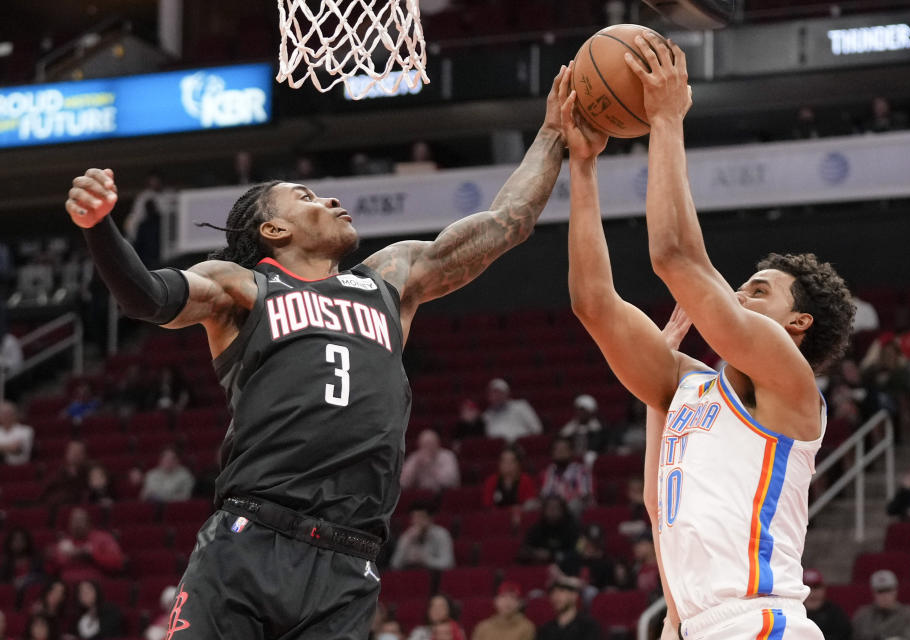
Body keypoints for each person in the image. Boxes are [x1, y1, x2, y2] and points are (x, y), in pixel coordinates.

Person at [65, 62, 566, 639]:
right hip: (248, 546)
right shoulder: (242, 288)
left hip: (347, 563)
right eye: (305, 197)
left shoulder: (389, 279)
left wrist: (552, 134)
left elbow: (507, 223)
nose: (328, 200)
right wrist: (100, 226)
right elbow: (148, 297)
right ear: (274, 232)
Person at [566, 35, 856, 640]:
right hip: (691, 627)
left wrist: (666, 118)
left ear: (798, 323)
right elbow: (593, 304)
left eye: (759, 290)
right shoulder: (684, 386)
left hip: (759, 621)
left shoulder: (788, 379)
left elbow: (675, 255)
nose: (739, 295)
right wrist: (585, 168)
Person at [48, 508, 125, 583]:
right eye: (73, 521)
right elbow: (51, 570)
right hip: (67, 586)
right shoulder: (63, 542)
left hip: (94, 586)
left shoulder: (103, 538)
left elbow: (117, 563)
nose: (77, 525)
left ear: (89, 523)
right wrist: (51, 557)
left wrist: (91, 554)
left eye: (80, 521)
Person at [850, 570, 910, 640]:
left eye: (888, 590)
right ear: (873, 593)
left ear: (895, 591)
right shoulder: (862, 615)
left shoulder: (906, 614)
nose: (884, 595)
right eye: (880, 591)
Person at [389, 503, 454, 571]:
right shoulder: (407, 535)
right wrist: (407, 542)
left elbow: (448, 563)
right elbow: (394, 564)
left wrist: (425, 559)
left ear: (430, 519)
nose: (417, 521)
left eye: (421, 517)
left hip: (435, 575)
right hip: (411, 574)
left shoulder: (441, 534)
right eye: (414, 518)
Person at [517, 496, 580, 565]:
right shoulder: (537, 529)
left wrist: (552, 555)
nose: (552, 511)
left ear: (563, 511)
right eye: (549, 508)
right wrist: (534, 553)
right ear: (544, 510)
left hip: (566, 568)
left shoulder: (572, 528)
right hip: (540, 568)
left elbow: (580, 552)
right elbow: (523, 551)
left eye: (556, 508)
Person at [536, 575, 601, 640]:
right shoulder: (546, 630)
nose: (555, 596)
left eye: (561, 591)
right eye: (552, 592)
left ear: (574, 595)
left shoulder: (588, 627)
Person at [539, 437, 592, 515]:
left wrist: (562, 502)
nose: (560, 452)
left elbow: (584, 495)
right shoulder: (550, 471)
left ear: (571, 452)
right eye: (557, 449)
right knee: (531, 505)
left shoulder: (581, 470)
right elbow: (545, 494)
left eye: (564, 449)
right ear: (552, 453)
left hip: (573, 506)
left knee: (574, 504)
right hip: (553, 507)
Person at [471, 581, 536, 640]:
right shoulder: (483, 627)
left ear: (519, 603)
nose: (508, 601)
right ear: (496, 601)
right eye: (503, 596)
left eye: (512, 597)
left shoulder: (527, 627)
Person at [482, 445, 538, 510]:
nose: (507, 465)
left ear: (518, 464)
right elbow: (487, 506)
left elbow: (530, 506)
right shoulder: (491, 481)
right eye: (504, 461)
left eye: (511, 461)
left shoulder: (526, 480)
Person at [802, 569, 851, 640]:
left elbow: (844, 634)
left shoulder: (835, 613)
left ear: (823, 588)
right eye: (807, 587)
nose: (812, 592)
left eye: (816, 587)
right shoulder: (792, 612)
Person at [557, 394, 606, 462]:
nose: (580, 413)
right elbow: (561, 438)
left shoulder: (599, 428)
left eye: (583, 410)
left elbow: (599, 446)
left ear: (590, 412)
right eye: (578, 410)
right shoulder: (570, 426)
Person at [42, 440, 90, 507]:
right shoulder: (55, 476)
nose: (76, 455)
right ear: (66, 453)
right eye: (73, 451)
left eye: (79, 452)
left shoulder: (89, 475)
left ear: (85, 455)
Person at [1, 527, 45, 591]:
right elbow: (3, 581)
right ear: (10, 543)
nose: (18, 543)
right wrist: (12, 583)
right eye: (15, 540)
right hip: (12, 593)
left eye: (21, 540)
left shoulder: (36, 559)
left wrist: (26, 580)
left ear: (27, 542)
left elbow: (43, 577)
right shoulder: (5, 562)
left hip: (32, 591)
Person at [0, 400, 33, 465]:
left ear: (15, 415)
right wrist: (8, 447)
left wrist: (4, 448)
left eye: (8, 413)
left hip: (19, 468)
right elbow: (12, 448)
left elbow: (16, 449)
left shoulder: (26, 430)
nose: (6, 417)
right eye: (2, 414)